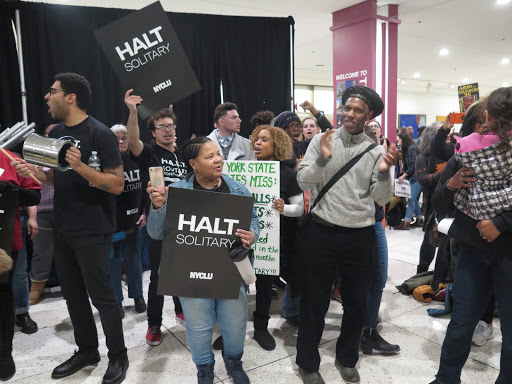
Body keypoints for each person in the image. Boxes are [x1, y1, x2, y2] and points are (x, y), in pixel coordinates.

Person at [13, 73, 128, 384]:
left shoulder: (100, 133)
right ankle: (87, 350)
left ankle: (118, 355)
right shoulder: (58, 133)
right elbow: (56, 179)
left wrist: (80, 166)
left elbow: (116, 185)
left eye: (53, 92)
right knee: (73, 297)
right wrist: (35, 172)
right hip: (63, 228)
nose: (48, 98)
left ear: (71, 96)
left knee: (102, 297)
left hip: (93, 229)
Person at [295, 85, 398, 384]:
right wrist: (323, 158)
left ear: (369, 117)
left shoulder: (376, 151)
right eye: (347, 108)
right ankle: (308, 362)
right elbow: (303, 181)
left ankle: (347, 357)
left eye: (358, 110)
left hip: (360, 235)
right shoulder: (320, 140)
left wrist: (383, 172)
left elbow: (381, 199)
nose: (350, 114)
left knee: (356, 301)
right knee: (314, 300)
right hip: (321, 232)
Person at [147, 137, 260, 384]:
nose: (218, 160)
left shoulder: (238, 189)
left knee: (235, 324)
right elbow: (156, 233)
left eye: (218, 154)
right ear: (193, 164)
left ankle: (234, 363)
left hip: (230, 271)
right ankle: (204, 369)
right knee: (198, 327)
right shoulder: (175, 191)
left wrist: (253, 235)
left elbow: (253, 221)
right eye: (209, 157)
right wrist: (158, 207)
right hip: (191, 272)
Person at [430, 86, 512, 384]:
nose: (484, 128)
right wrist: (451, 184)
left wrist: (501, 222)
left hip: (508, 255)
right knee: (462, 323)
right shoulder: (465, 155)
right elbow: (438, 204)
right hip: (473, 253)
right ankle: (445, 379)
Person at [123, 90, 186, 346]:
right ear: (154, 132)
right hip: (159, 224)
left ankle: (182, 307)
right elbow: (132, 141)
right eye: (162, 127)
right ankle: (154, 325)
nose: (168, 131)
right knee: (159, 278)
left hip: (185, 221)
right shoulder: (149, 153)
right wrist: (132, 112)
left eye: (170, 126)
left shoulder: (183, 155)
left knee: (183, 271)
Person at [249, 125, 304, 349]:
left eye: (264, 140)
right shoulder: (244, 170)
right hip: (243, 237)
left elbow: (300, 208)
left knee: (263, 286)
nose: (257, 143)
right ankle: (231, 327)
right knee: (238, 287)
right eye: (256, 139)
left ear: (277, 145)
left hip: (272, 241)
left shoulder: (289, 175)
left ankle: (261, 328)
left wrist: (284, 209)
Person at [359, 125, 400, 356]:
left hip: (373, 221)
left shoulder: (378, 160)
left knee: (377, 278)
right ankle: (363, 332)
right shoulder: (361, 159)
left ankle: (368, 331)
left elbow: (383, 196)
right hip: (359, 224)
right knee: (368, 279)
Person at [0, 149, 41, 381]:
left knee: (3, 296)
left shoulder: (9, 157)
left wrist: (12, 190)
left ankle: (4, 353)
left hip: (4, 240)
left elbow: (34, 195)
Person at [109, 124, 149, 317]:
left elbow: (143, 191)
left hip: (134, 221)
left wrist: (144, 213)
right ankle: (116, 300)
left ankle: (138, 296)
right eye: (116, 137)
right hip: (112, 224)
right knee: (113, 263)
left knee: (134, 262)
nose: (121, 141)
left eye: (124, 137)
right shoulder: (104, 163)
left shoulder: (137, 161)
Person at [28, 124, 57, 305]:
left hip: (68, 211)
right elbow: (29, 187)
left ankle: (81, 284)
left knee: (75, 252)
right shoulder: (34, 158)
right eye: (48, 134)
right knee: (41, 253)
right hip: (42, 211)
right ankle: (36, 289)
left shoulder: (69, 157)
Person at [415, 123, 447, 273]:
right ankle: (421, 273)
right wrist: (445, 172)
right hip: (433, 205)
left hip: (451, 204)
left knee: (447, 243)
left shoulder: (449, 153)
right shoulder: (423, 157)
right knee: (430, 241)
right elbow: (423, 179)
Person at [394, 131, 423, 230]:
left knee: (411, 198)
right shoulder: (409, 148)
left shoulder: (411, 149)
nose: (398, 142)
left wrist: (404, 175)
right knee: (413, 199)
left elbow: (413, 165)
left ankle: (406, 222)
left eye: (399, 140)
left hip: (417, 177)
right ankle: (420, 219)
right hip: (415, 176)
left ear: (403, 140)